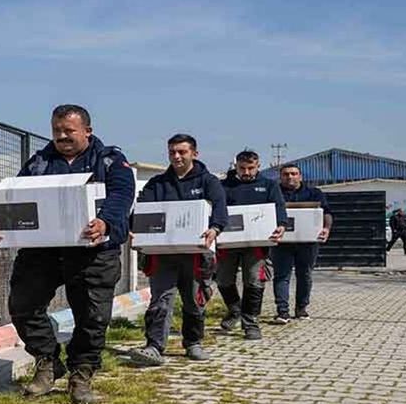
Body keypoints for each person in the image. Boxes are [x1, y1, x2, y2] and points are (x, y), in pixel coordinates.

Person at [0, 104, 135, 404]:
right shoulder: (39, 162)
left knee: (92, 317)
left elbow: (122, 195)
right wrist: (0, 222)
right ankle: (47, 362)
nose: (62, 136)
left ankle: (81, 374)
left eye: (69, 131)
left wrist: (105, 220)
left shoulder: (109, 161)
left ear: (87, 131)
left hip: (94, 252)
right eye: (57, 130)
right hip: (44, 251)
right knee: (23, 305)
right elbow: (17, 195)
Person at [128, 134, 228, 367]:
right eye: (172, 152)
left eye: (182, 152)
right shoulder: (157, 184)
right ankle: (154, 347)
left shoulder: (208, 182)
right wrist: (135, 228)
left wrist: (215, 228)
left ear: (194, 153)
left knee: (194, 300)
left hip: (196, 255)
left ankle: (193, 342)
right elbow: (141, 212)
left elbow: (221, 209)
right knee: (161, 300)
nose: (176, 156)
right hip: (163, 254)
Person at [217, 150, 287, 341]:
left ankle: (251, 323)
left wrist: (281, 225)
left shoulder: (269, 185)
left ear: (258, 166)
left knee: (254, 281)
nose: (246, 172)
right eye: (242, 168)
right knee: (223, 279)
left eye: (250, 168)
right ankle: (235, 309)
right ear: (235, 166)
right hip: (228, 243)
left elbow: (279, 207)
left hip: (257, 243)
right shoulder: (223, 186)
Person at [270, 163, 332, 324]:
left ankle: (301, 309)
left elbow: (326, 212)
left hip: (308, 242)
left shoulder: (314, 193)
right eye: (286, 174)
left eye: (293, 173)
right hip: (281, 242)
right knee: (281, 275)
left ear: (300, 176)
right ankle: (282, 312)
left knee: (305, 275)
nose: (290, 177)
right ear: (280, 177)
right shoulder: (273, 192)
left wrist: (326, 228)